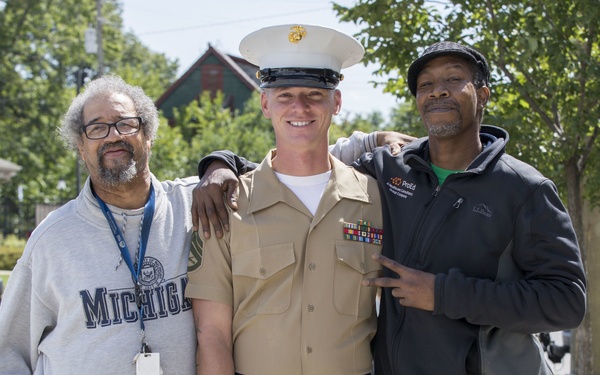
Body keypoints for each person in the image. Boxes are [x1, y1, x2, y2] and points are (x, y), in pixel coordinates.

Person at [194, 41, 587, 374]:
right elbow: (300, 164)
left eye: (453, 79)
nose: (438, 91)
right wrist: (219, 164)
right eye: (426, 84)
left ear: (482, 94)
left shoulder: (524, 190)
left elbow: (567, 302)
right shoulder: (387, 173)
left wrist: (444, 294)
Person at [185, 24, 387, 375]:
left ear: (336, 102)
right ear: (265, 103)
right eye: (284, 95)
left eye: (314, 94)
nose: (299, 107)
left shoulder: (376, 200)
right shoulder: (228, 205)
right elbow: (211, 333)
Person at [0, 75, 198, 374]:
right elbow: (9, 352)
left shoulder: (193, 207)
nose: (112, 136)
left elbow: (265, 176)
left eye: (125, 123)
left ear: (148, 134)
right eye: (96, 128)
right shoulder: (52, 239)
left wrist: (220, 163)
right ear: (81, 147)